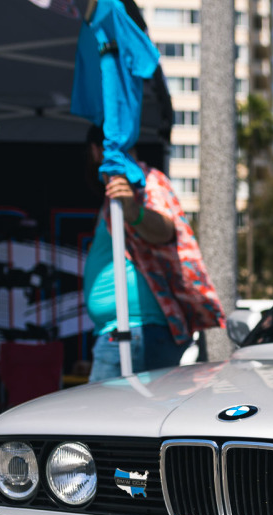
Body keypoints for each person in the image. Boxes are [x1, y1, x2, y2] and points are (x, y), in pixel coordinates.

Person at [83, 126, 223, 381]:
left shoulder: (144, 180)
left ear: (95, 151)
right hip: (129, 333)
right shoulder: (122, 188)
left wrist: (133, 211)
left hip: (136, 332)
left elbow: (165, 229)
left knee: (105, 419)